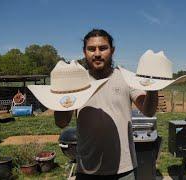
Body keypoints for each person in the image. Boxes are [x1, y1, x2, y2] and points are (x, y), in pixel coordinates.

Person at [54, 29, 158, 180]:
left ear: (112, 50)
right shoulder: (76, 81)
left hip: (124, 169)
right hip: (87, 169)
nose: (97, 53)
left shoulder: (126, 77)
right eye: (91, 49)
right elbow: (61, 122)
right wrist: (61, 94)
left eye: (103, 48)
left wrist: (153, 87)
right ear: (84, 52)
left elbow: (148, 111)